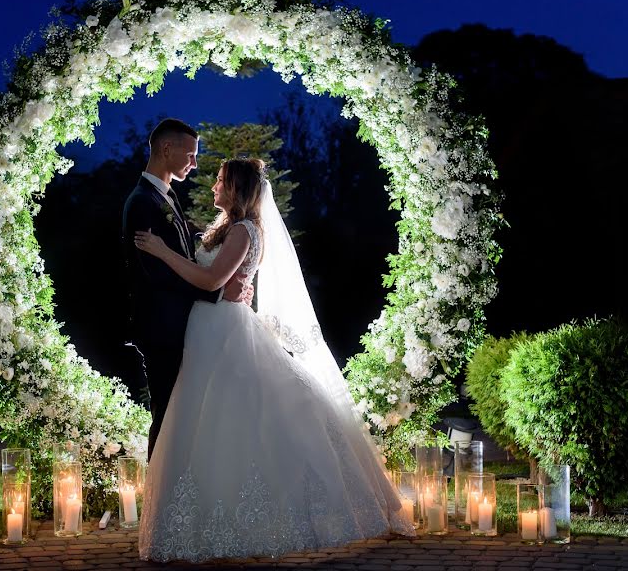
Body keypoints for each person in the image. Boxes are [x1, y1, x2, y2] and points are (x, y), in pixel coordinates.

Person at [133, 158, 414, 563]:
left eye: (220, 180)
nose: (213, 185)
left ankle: (248, 523)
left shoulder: (247, 231)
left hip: (224, 331)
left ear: (238, 189)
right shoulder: (227, 228)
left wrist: (161, 252)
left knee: (229, 422)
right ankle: (206, 523)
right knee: (202, 421)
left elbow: (211, 281)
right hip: (208, 329)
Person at [122, 118, 252, 461]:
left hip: (182, 327)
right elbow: (156, 273)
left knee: (181, 418)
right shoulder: (142, 203)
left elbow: (180, 251)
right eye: (191, 155)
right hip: (162, 329)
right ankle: (157, 506)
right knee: (165, 418)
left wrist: (226, 269)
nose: (194, 164)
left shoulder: (164, 196)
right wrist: (217, 292)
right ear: (167, 149)